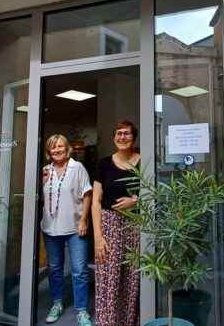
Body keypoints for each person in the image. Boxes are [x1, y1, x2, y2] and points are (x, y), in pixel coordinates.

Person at [40, 134, 93, 326]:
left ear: (67, 148)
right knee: (54, 269)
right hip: (50, 228)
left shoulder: (77, 168)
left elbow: (87, 194)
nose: (57, 150)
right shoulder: (46, 170)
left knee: (79, 270)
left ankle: (81, 311)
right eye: (53, 147)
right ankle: (57, 304)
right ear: (49, 151)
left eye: (60, 146)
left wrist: (84, 220)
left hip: (74, 227)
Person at [92, 120, 141, 326]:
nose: (122, 137)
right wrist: (98, 237)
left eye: (127, 133)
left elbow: (154, 192)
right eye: (119, 133)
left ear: (134, 137)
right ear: (114, 138)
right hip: (109, 225)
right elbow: (95, 200)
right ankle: (107, 322)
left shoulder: (143, 161)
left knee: (132, 277)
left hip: (136, 225)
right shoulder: (104, 164)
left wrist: (135, 200)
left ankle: (128, 321)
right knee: (108, 277)